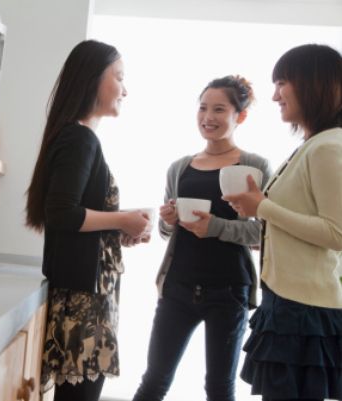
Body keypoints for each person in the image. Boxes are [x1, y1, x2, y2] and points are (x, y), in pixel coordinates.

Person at [25, 39, 151, 401]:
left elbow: (72, 215)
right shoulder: (80, 139)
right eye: (119, 77)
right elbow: (62, 212)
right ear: (92, 79)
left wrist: (122, 225)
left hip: (85, 296)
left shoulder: (77, 136)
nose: (125, 89)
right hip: (83, 302)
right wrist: (122, 219)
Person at [132, 75, 272, 401]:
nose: (208, 117)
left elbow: (265, 232)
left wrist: (217, 228)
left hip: (229, 290)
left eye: (219, 109)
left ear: (241, 116)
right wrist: (167, 222)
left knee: (219, 389)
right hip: (178, 286)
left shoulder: (254, 166)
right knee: (154, 381)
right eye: (203, 108)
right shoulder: (179, 168)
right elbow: (170, 233)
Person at [223, 44, 342, 401]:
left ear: (313, 84)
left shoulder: (327, 148)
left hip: (303, 311)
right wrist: (260, 212)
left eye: (282, 83)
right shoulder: (315, 144)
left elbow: (336, 233)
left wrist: (263, 208)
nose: (274, 95)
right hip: (289, 303)